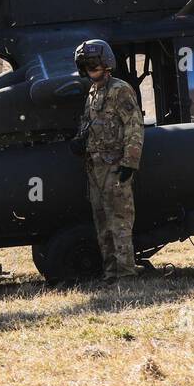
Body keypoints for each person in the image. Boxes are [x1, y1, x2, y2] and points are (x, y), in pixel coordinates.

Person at [71, 38, 144, 282]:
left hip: (114, 166)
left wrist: (129, 163)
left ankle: (126, 273)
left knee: (119, 222)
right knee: (101, 221)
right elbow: (88, 123)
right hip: (95, 168)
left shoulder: (120, 89)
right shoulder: (92, 93)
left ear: (106, 63)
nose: (91, 69)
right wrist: (79, 141)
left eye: (94, 63)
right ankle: (111, 272)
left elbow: (134, 125)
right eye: (86, 65)